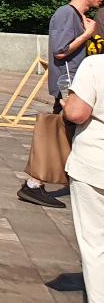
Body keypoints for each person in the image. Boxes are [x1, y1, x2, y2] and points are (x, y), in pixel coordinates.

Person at [19, 0, 104, 208]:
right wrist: (88, 34)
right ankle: (33, 184)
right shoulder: (66, 14)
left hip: (75, 86)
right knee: (61, 133)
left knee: (65, 134)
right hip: (69, 87)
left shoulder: (79, 16)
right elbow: (60, 51)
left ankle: (36, 183)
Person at [63, 46, 104, 301]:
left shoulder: (95, 65)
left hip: (95, 164)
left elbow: (76, 113)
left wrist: (66, 102)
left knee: (94, 245)